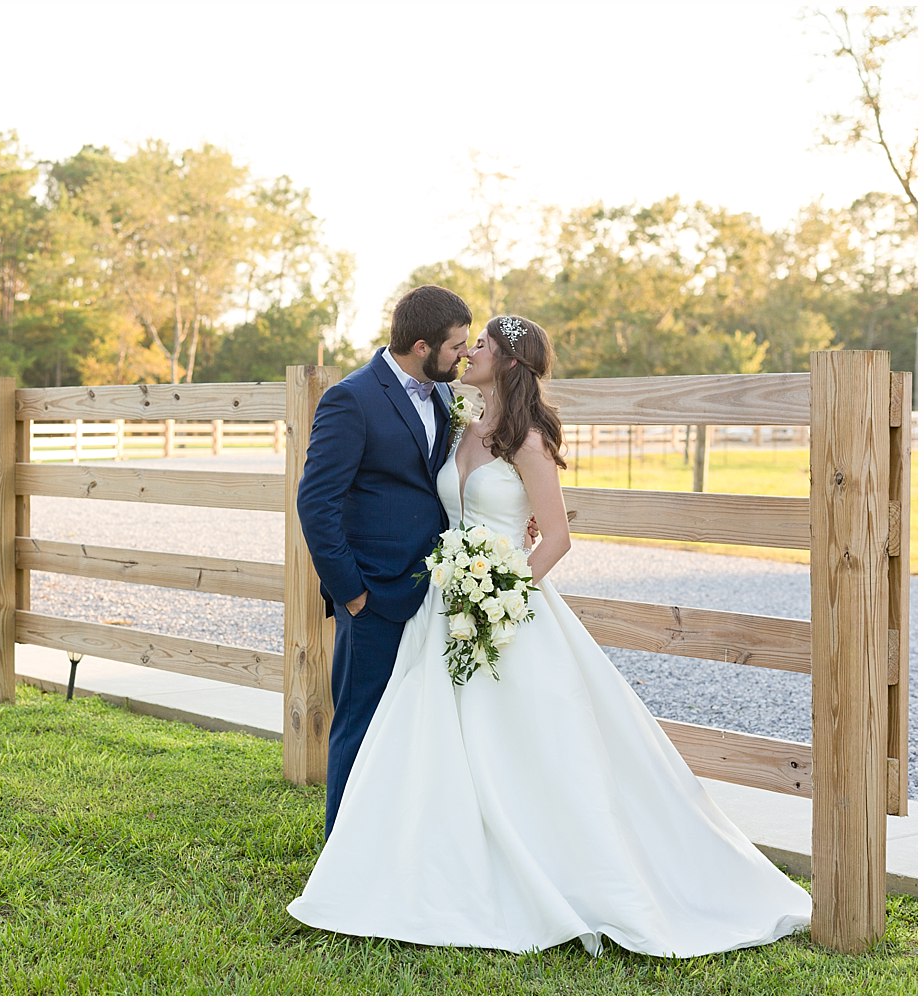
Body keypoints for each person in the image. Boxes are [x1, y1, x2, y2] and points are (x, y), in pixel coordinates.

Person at [287, 315, 812, 957]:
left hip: (506, 609)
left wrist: (505, 595)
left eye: (481, 345)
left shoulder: (527, 440)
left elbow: (558, 536)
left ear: (508, 363)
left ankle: (553, 868)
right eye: (465, 342)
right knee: (429, 738)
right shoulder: (461, 421)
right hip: (442, 603)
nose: (470, 352)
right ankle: (415, 862)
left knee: (526, 746)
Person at [296, 284, 473, 839]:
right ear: (421, 346)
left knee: (417, 725)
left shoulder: (445, 397)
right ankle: (341, 854)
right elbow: (315, 503)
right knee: (360, 722)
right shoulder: (352, 398)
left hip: (436, 592)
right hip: (372, 595)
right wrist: (351, 592)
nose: (464, 356)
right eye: (456, 347)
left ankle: (400, 847)